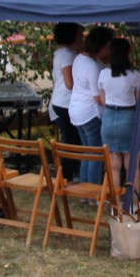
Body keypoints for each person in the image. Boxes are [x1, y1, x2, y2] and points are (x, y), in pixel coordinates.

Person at [69, 26, 114, 184]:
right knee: (96, 155)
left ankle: (84, 188)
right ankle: (93, 191)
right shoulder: (92, 66)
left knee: (87, 153)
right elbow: (97, 98)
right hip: (90, 113)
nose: (109, 51)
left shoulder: (79, 59)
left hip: (77, 111)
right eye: (108, 47)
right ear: (100, 46)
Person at [98, 37, 140, 192]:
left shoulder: (104, 74)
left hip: (109, 117)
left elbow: (103, 100)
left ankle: (115, 203)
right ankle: (133, 202)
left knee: (113, 167)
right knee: (132, 167)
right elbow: (138, 99)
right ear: (128, 53)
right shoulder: (134, 75)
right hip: (128, 117)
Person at [49, 23, 84, 180]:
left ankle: (67, 175)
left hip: (59, 101)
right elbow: (70, 83)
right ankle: (66, 176)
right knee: (72, 141)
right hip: (65, 102)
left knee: (70, 140)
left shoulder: (60, 53)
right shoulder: (68, 55)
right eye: (79, 35)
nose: (81, 38)